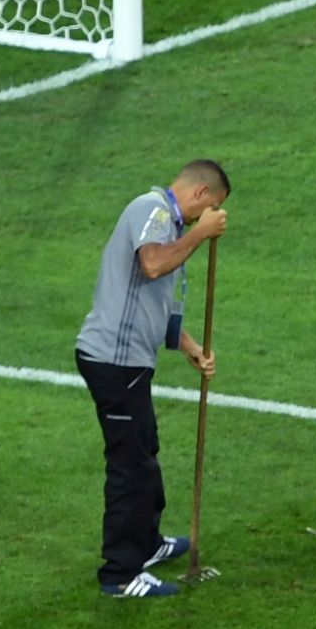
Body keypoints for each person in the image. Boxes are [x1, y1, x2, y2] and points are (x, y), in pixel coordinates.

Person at [75, 159, 229, 598]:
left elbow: (154, 304)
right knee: (130, 467)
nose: (207, 218)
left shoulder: (171, 227)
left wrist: (192, 348)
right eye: (210, 208)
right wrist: (202, 234)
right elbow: (153, 266)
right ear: (201, 194)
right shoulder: (154, 211)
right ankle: (121, 573)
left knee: (145, 450)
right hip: (114, 362)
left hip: (128, 362)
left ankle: (146, 542)